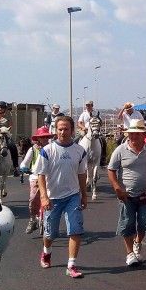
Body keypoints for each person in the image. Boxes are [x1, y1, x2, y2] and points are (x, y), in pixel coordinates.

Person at [35, 116, 87, 278]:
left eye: (66, 129)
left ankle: (71, 265)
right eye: (60, 129)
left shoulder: (79, 151)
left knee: (75, 230)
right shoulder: (47, 150)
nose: (63, 132)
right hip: (53, 197)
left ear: (72, 130)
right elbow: (41, 175)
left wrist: (83, 195)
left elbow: (82, 174)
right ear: (55, 131)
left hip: (72, 196)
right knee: (50, 234)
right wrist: (44, 196)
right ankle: (46, 252)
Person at [108, 119, 146, 267]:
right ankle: (130, 253)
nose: (133, 137)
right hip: (127, 194)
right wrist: (117, 188)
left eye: (137, 134)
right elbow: (111, 170)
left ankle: (138, 242)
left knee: (145, 222)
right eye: (131, 134)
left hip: (145, 193)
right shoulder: (120, 150)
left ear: (144, 135)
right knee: (127, 223)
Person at [20, 126, 54, 234]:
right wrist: (23, 168)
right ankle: (32, 219)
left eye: (46, 137)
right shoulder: (33, 149)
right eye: (42, 137)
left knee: (52, 198)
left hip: (49, 177)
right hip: (35, 177)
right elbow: (24, 163)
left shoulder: (52, 149)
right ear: (38, 138)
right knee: (33, 199)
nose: (44, 139)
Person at [0, 100, 20, 176]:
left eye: (2, 107)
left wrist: (7, 130)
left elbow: (11, 126)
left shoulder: (8, 116)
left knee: (13, 146)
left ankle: (16, 167)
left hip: (5, 134)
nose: (0, 108)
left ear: (5, 109)